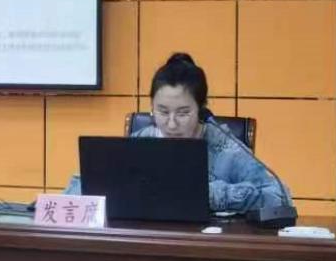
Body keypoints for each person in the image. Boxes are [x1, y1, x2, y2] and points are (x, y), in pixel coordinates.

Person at [65, 52, 292, 213]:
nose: (171, 124)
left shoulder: (225, 149)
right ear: (151, 106)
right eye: (162, 112)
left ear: (201, 109)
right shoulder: (142, 141)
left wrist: (207, 194)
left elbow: (280, 197)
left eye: (183, 113)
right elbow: (74, 191)